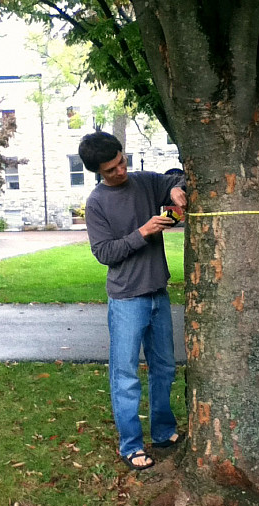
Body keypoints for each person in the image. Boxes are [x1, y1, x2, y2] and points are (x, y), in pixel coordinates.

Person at [79, 131, 187, 470]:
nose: (120, 171)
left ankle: (162, 431)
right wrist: (143, 233)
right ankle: (131, 445)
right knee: (125, 375)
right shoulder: (97, 203)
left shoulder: (142, 182)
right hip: (126, 298)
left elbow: (176, 176)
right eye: (111, 170)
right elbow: (104, 253)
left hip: (158, 291)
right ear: (97, 171)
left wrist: (174, 190)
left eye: (121, 162)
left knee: (165, 368)